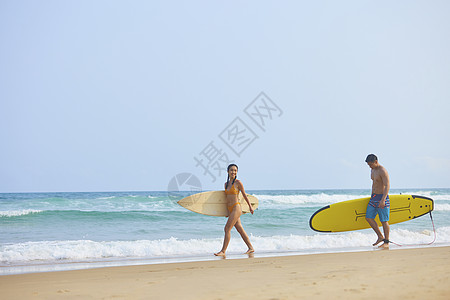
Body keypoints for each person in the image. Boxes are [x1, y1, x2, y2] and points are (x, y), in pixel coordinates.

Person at [214, 164, 254, 256]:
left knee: (227, 228)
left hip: (236, 207)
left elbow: (244, 195)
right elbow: (226, 199)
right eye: (231, 170)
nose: (233, 172)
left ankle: (223, 251)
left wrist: (250, 206)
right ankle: (250, 247)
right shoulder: (226, 184)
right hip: (230, 209)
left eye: (235, 170)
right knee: (240, 229)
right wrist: (227, 212)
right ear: (227, 172)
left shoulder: (238, 183)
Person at [365, 154, 391, 249]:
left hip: (382, 198)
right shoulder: (372, 170)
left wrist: (383, 199)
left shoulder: (382, 171)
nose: (370, 166)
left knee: (384, 221)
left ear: (376, 161)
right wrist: (372, 195)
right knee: (368, 217)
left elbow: (387, 185)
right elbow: (374, 183)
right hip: (374, 197)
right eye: (368, 165)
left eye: (371, 164)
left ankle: (386, 242)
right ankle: (380, 236)